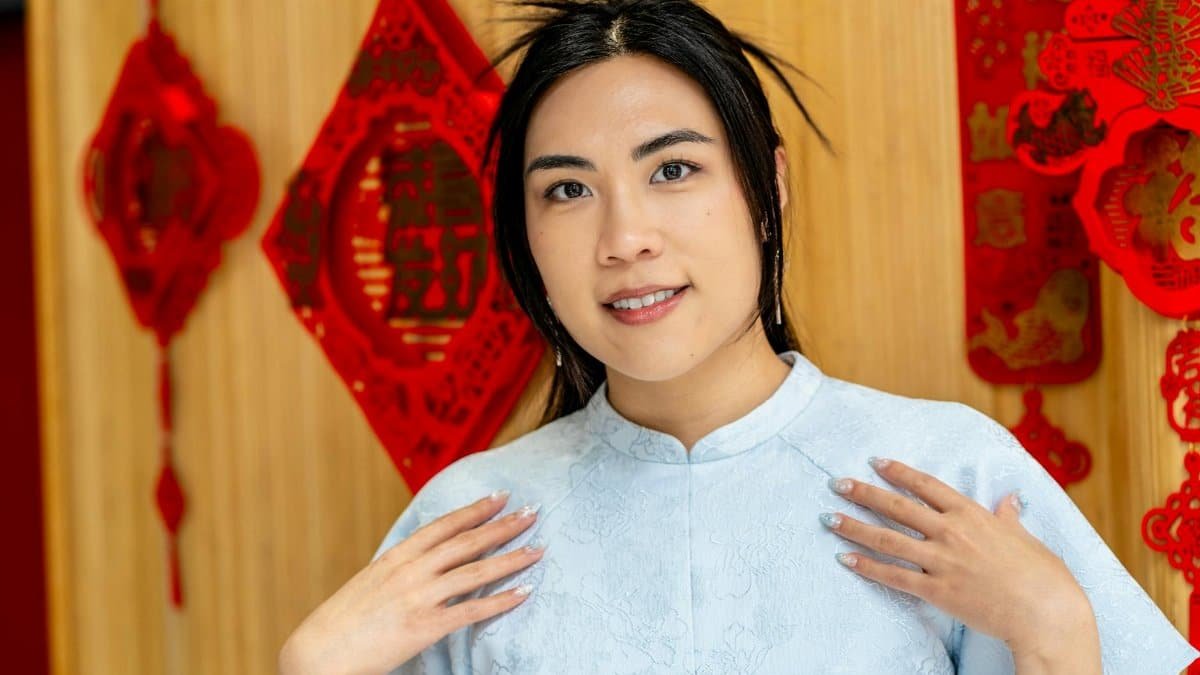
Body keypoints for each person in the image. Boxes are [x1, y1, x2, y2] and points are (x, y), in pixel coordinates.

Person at [277, 1, 1200, 673]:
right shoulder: (469, 524)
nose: (624, 236)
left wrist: (1056, 629)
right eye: (567, 188)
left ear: (770, 188)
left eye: (672, 168)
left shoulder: (947, 471)